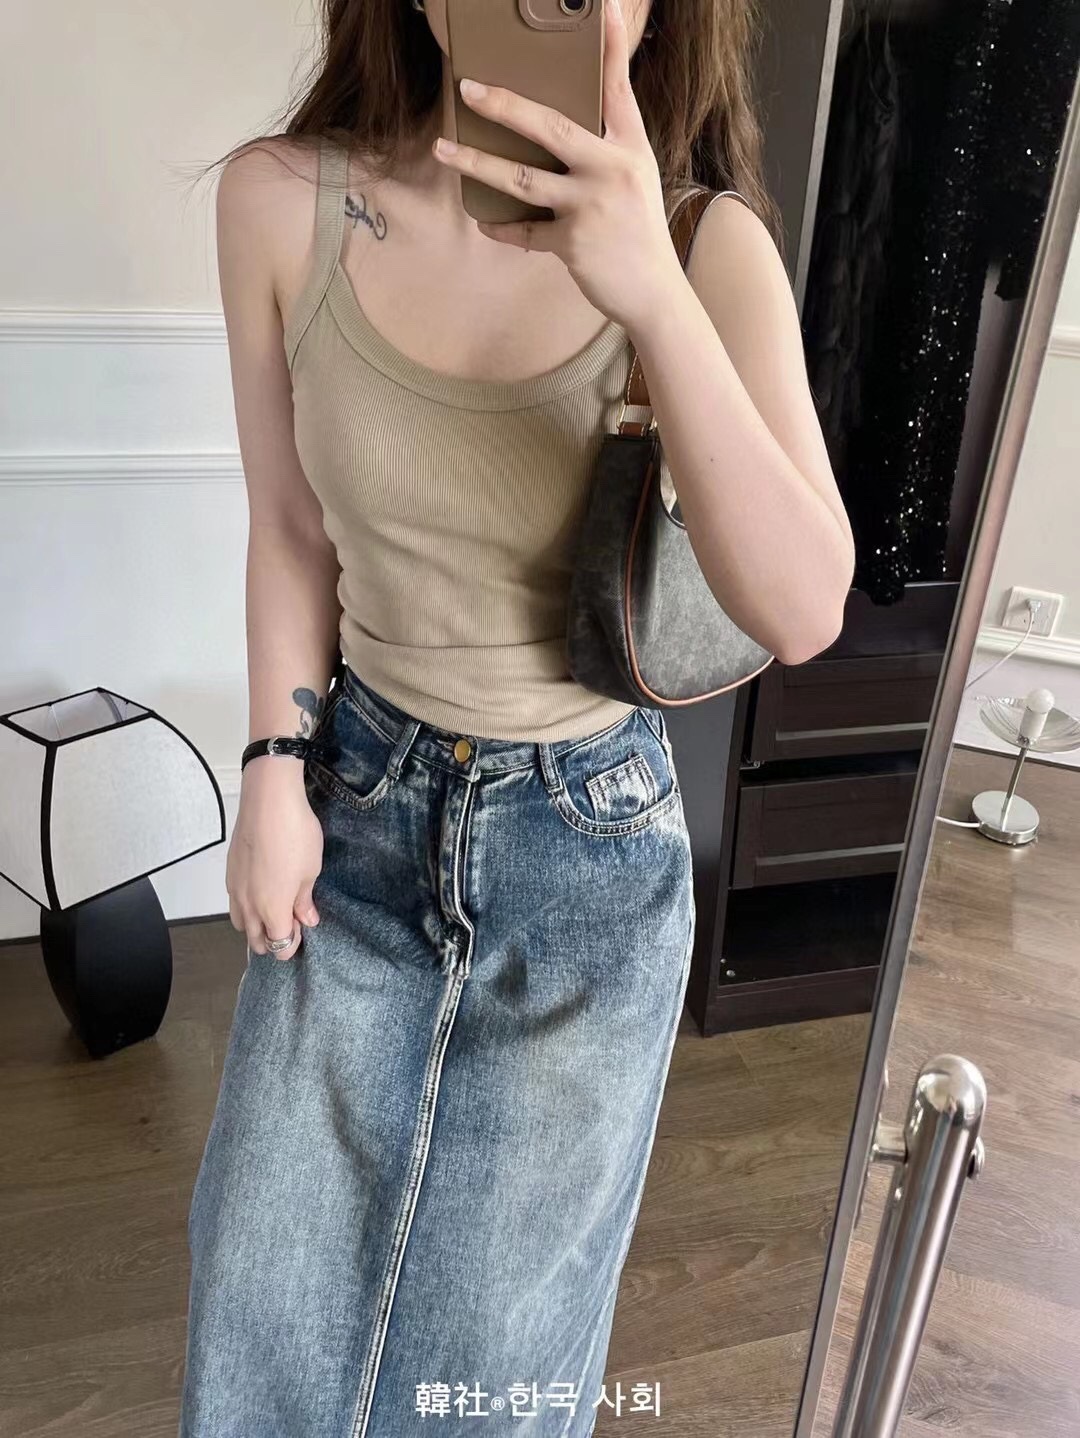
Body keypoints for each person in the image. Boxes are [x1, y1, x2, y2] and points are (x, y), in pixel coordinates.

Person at [180, 0, 854, 1433]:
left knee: (487, 1371)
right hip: (355, 809)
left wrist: (652, 294)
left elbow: (802, 608)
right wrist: (271, 769)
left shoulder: (705, 248)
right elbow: (288, 528)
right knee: (261, 1319)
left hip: (587, 855)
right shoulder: (281, 202)